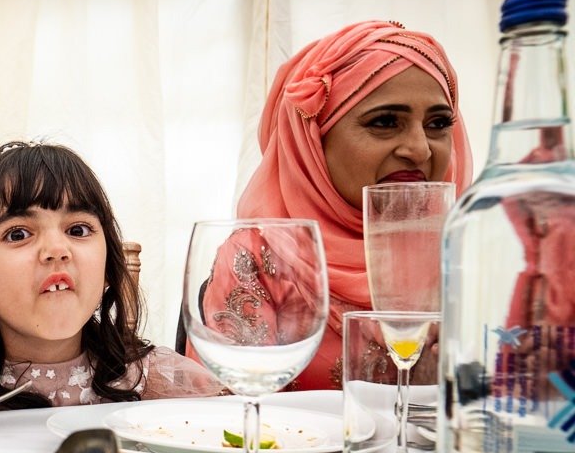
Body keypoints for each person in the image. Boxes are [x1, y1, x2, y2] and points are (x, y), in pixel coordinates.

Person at [196, 20, 474, 390]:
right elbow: (236, 417)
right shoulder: (261, 255)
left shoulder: (474, 252)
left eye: (438, 123)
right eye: (386, 121)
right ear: (312, 138)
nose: (420, 149)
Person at [0, 141, 223, 408]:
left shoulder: (156, 381)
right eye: (18, 234)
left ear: (107, 270)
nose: (57, 249)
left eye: (77, 229)